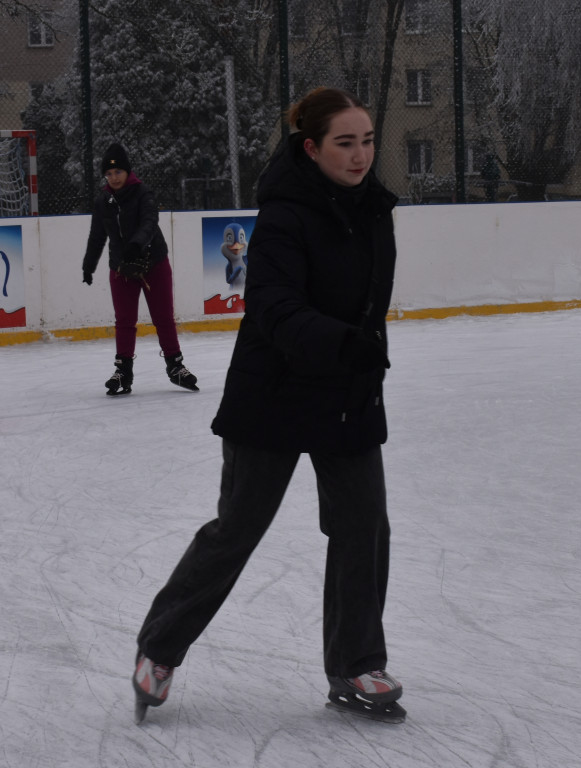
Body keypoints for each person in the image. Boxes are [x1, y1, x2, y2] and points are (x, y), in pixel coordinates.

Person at [132, 87, 404, 724]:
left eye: (367, 140)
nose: (360, 154)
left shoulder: (375, 211)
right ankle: (159, 649)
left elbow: (368, 302)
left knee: (364, 528)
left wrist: (360, 357)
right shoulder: (283, 216)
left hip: (346, 391)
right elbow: (274, 309)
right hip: (275, 391)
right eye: (345, 142)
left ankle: (356, 664)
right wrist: (344, 344)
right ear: (310, 149)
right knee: (238, 529)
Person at [82, 143, 198, 396]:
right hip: (121, 268)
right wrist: (88, 265)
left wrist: (136, 244)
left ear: (127, 172)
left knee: (163, 317)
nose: (113, 178)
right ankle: (123, 370)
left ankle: (175, 366)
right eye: (109, 174)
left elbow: (149, 221)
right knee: (124, 320)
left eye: (118, 173)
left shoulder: (143, 192)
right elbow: (96, 235)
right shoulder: (103, 201)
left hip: (153, 262)